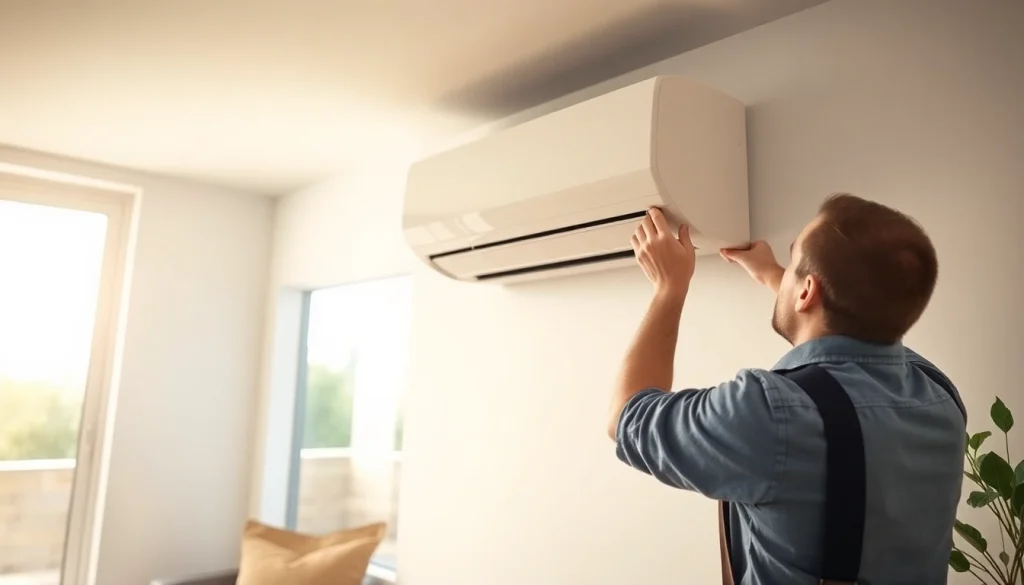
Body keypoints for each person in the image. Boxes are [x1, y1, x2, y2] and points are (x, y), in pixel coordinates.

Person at [607, 194, 966, 584]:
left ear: (807, 292)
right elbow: (857, 328)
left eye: (793, 258)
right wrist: (774, 276)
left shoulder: (769, 414)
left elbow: (626, 414)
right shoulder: (938, 392)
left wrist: (668, 287)